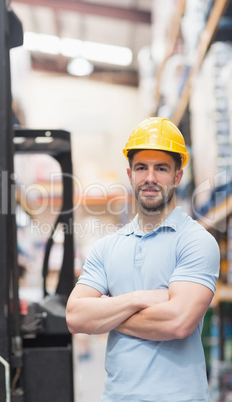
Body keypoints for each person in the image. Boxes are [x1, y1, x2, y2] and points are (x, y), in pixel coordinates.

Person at [66, 117, 220, 402]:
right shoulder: (107, 247)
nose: (150, 178)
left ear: (177, 175)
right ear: (130, 174)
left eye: (161, 168)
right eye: (141, 168)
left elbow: (178, 322)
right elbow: (75, 317)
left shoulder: (196, 242)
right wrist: (139, 299)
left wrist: (107, 315)